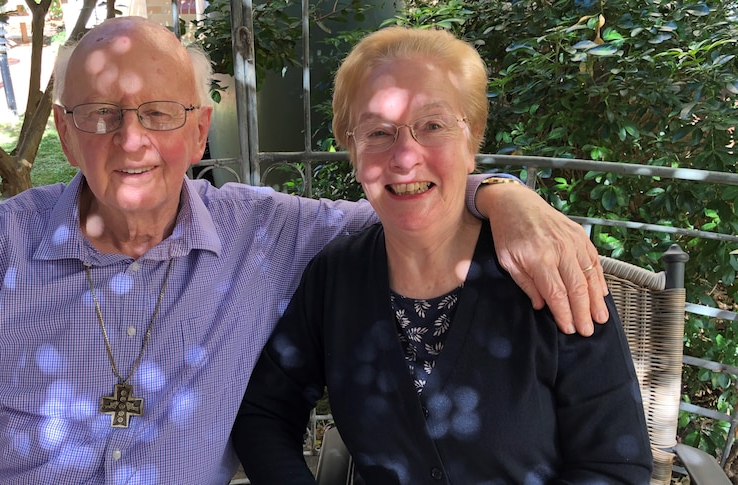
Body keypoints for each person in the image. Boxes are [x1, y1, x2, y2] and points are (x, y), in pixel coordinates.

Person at [0, 17, 608, 484]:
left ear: (199, 132)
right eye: (101, 114)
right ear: (66, 132)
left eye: (159, 114)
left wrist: (503, 194)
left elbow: (405, 192)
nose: (131, 141)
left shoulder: (266, 232)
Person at [232, 26, 652, 483]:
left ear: (471, 143)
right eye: (377, 132)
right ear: (352, 151)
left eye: (432, 125)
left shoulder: (546, 268)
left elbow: (615, 467)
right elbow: (265, 413)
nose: (405, 156)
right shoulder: (336, 277)